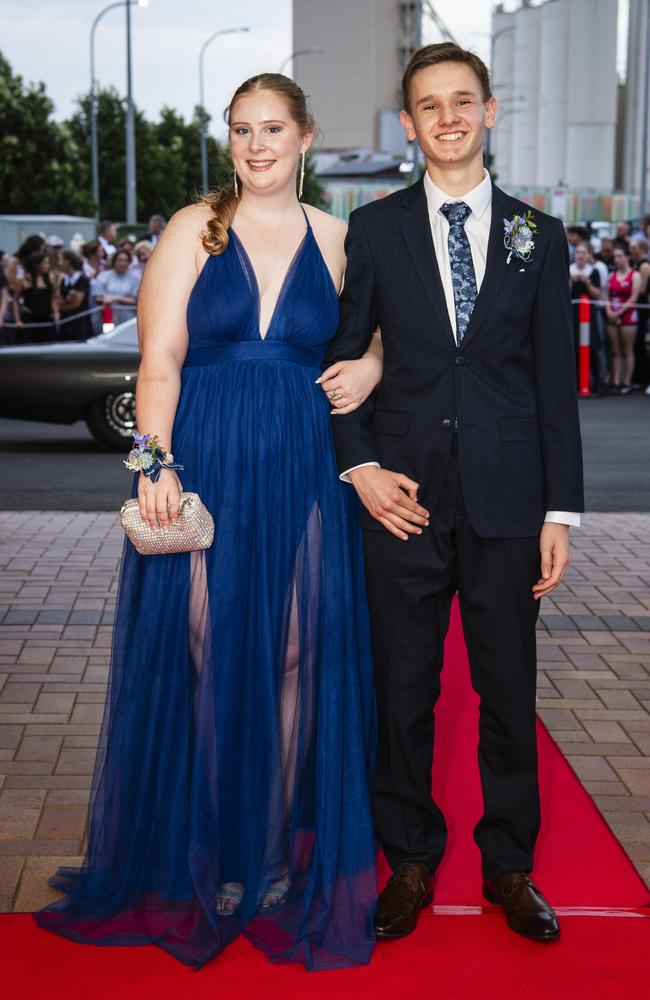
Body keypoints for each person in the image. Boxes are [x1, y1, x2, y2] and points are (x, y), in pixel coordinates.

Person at [35, 73, 381, 971]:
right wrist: (155, 464)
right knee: (212, 657)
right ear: (227, 140)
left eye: (273, 128)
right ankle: (216, 852)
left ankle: (265, 856)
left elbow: (375, 338)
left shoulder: (342, 240)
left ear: (307, 136)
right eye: (240, 129)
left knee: (296, 658)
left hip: (305, 468)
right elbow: (159, 363)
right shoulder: (196, 228)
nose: (257, 144)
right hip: (208, 467)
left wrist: (373, 366)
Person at [324, 42, 583, 945]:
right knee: (403, 689)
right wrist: (359, 467)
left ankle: (511, 866)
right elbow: (346, 359)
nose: (447, 118)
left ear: (489, 110)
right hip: (404, 497)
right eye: (428, 105)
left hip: (511, 501)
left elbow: (557, 382)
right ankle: (410, 860)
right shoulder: (376, 228)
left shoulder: (538, 236)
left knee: (509, 691)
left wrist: (562, 512)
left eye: (461, 101)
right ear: (408, 124)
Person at [605, 243, 642, 394]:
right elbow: (606, 296)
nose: (617, 259)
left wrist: (618, 313)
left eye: (620, 256)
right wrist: (609, 312)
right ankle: (616, 381)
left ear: (626, 257)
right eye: (615, 256)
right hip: (612, 316)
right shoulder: (611, 275)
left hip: (628, 315)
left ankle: (627, 382)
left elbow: (634, 298)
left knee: (627, 349)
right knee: (615, 350)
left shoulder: (635, 275)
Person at [570, 241, 606, 392]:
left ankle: (598, 382)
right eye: (578, 252)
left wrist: (588, 281)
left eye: (583, 253)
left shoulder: (594, 271)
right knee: (573, 346)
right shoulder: (569, 269)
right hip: (572, 313)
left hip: (589, 314)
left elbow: (597, 294)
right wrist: (572, 280)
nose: (580, 256)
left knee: (593, 346)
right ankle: (575, 383)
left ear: (588, 255)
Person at [12, 250, 58, 343]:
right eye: (45, 263)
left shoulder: (50, 278)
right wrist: (17, 320)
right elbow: (15, 301)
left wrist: (56, 313)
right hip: (30, 319)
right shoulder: (23, 279)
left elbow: (52, 298)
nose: (48, 266)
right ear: (37, 264)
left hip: (47, 318)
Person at [92, 248, 140, 326]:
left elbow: (136, 300)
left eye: (126, 260)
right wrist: (103, 298)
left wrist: (114, 298)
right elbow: (97, 296)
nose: (123, 263)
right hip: (107, 318)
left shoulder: (134, 279)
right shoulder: (103, 276)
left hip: (128, 319)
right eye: (120, 260)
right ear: (114, 261)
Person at [56, 250, 93, 341]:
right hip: (66, 322)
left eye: (60, 260)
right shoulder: (64, 280)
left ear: (67, 262)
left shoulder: (82, 279)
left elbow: (76, 303)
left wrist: (60, 307)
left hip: (79, 322)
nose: (58, 263)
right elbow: (58, 299)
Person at [629, 236, 650, 389]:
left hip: (642, 305)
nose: (632, 251)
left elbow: (642, 289)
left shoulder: (644, 266)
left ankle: (642, 378)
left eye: (635, 248)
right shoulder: (636, 264)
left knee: (640, 341)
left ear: (642, 249)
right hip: (637, 304)